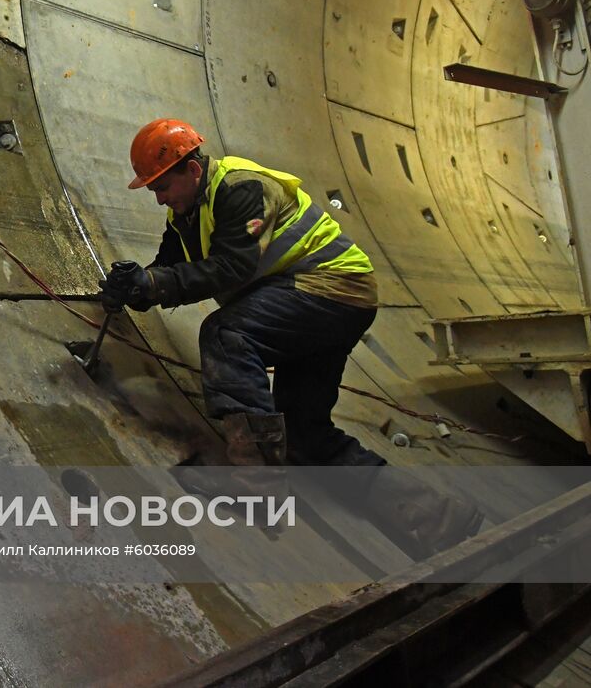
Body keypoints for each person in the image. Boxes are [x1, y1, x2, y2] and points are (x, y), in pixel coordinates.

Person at [100, 118, 482, 556]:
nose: (159, 198)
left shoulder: (241, 188)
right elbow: (170, 266)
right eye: (153, 190)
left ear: (193, 170)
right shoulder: (187, 209)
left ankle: (255, 488)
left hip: (332, 287)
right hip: (321, 298)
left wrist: (154, 284)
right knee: (304, 434)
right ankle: (437, 516)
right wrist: (137, 285)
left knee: (227, 335)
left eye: (161, 187)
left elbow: (231, 268)